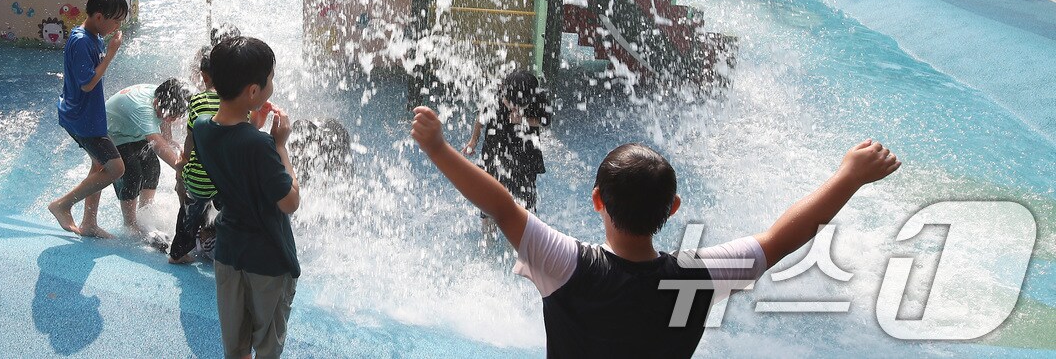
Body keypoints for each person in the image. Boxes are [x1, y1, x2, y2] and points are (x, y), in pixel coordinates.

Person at [412, 107, 901, 358]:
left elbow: (501, 206)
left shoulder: (567, 266)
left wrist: (438, 148)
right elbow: (779, 240)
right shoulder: (697, 278)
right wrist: (849, 177)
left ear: (597, 199)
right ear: (673, 209)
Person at [192, 36, 301, 359]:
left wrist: (252, 124)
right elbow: (289, 202)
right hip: (267, 258)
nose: (272, 85)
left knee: (236, 347)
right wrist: (279, 146)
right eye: (270, 79)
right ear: (253, 91)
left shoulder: (201, 127)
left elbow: (232, 155)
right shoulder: (260, 146)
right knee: (267, 346)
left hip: (228, 253)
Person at [47, 0, 129, 238]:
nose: (117, 26)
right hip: (82, 119)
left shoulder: (94, 36)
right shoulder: (82, 41)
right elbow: (88, 83)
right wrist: (111, 54)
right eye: (115, 21)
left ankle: (89, 223)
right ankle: (63, 205)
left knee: (99, 164)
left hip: (87, 115)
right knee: (116, 168)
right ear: (99, 17)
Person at [105, 79, 190, 237]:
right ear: (156, 102)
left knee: (152, 167)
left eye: (174, 117)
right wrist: (181, 168)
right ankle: (130, 223)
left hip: (133, 131)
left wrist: (169, 139)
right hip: (112, 134)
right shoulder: (142, 108)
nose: (170, 120)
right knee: (132, 173)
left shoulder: (164, 98)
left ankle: (145, 215)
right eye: (170, 116)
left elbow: (165, 121)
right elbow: (156, 143)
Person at [462, 69, 550, 213]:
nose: (515, 109)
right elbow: (481, 119)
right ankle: (488, 225)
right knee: (489, 198)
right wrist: (473, 141)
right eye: (511, 104)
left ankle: (526, 224)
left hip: (526, 152)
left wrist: (523, 120)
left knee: (526, 199)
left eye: (521, 106)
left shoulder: (539, 97)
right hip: (495, 148)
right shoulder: (495, 96)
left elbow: (545, 121)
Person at [170, 39, 226, 263]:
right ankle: (224, 247)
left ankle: (179, 254)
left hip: (199, 178)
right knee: (231, 212)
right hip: (227, 178)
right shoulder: (238, 104)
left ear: (204, 76)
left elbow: (190, 138)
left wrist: (182, 163)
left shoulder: (198, 100)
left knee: (189, 213)